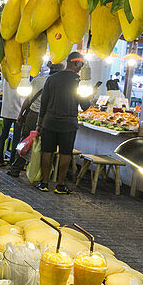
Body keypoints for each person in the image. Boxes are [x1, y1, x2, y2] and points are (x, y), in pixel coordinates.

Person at [33, 52, 90, 194]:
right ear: (76, 63)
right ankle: (60, 185)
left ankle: (44, 183)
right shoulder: (79, 82)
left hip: (49, 121)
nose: (81, 68)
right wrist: (90, 97)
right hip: (68, 123)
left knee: (47, 152)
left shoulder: (52, 79)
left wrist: (39, 124)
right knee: (65, 154)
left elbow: (43, 103)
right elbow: (85, 106)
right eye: (81, 64)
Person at [7, 63, 55, 178]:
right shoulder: (58, 85)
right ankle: (40, 175)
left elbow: (28, 100)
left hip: (32, 116)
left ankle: (15, 169)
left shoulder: (38, 81)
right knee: (44, 146)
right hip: (47, 117)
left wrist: (20, 114)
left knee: (26, 142)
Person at [0, 72, 25, 167]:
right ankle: (12, 162)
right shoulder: (23, 77)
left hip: (6, 110)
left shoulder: (6, 75)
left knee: (3, 135)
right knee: (16, 138)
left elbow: (1, 89)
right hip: (19, 111)